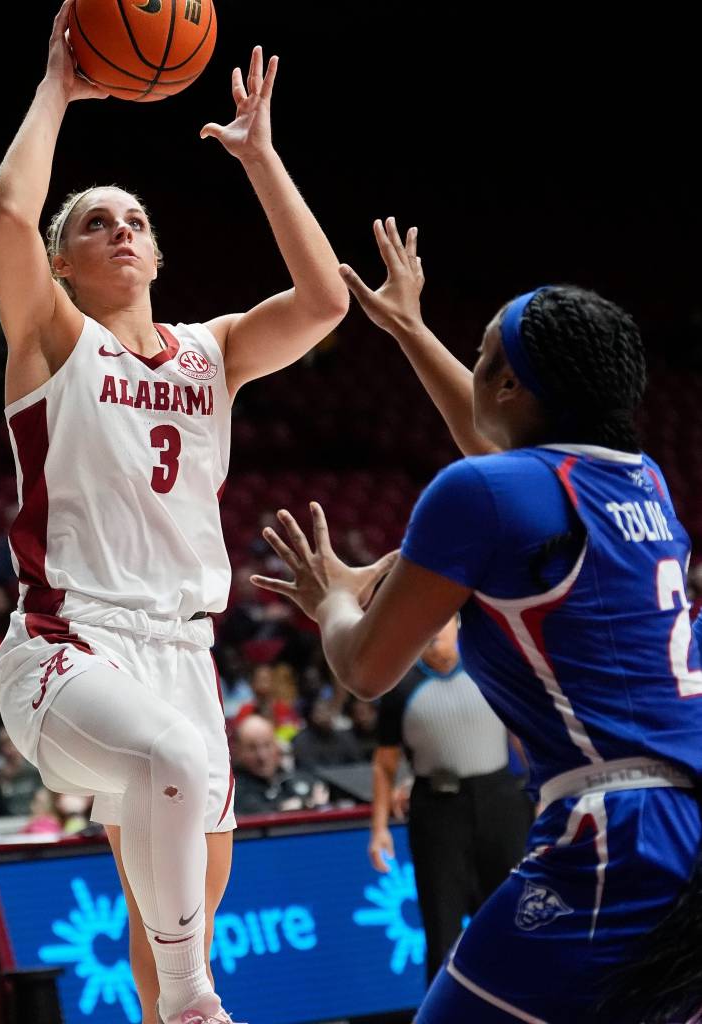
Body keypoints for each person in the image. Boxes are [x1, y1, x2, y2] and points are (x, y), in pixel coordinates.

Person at [0, 4, 348, 1022]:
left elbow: (324, 300)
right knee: (174, 771)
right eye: (95, 221)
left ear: (158, 256)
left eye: (135, 219)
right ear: (63, 265)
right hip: (69, 646)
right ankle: (200, 1005)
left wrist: (260, 158)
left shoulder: (211, 350)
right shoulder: (52, 341)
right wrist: (58, 87)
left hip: (183, 658)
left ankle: (173, 1001)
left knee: (173, 906)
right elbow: (12, 219)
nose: (120, 229)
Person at [252, 221, 702, 1023]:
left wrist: (331, 600)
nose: (476, 369)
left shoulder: (485, 497)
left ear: (508, 387)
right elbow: (493, 455)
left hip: (615, 827)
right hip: (683, 820)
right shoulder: (644, 481)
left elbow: (362, 669)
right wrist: (408, 328)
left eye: (485, 353)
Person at [369, 618, 532, 984]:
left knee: (515, 914)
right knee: (441, 924)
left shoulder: (491, 669)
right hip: (436, 809)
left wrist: (542, 790)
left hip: (502, 800)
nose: (433, 631)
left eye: (441, 622)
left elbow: (521, 733)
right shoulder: (400, 687)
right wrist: (379, 829)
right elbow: (384, 764)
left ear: (459, 625)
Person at [232, 714, 327, 815]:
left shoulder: (294, 776)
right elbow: (258, 814)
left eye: (267, 745)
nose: (262, 756)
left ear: (277, 745)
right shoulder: (233, 790)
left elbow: (321, 794)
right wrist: (305, 805)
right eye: (252, 748)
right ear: (238, 751)